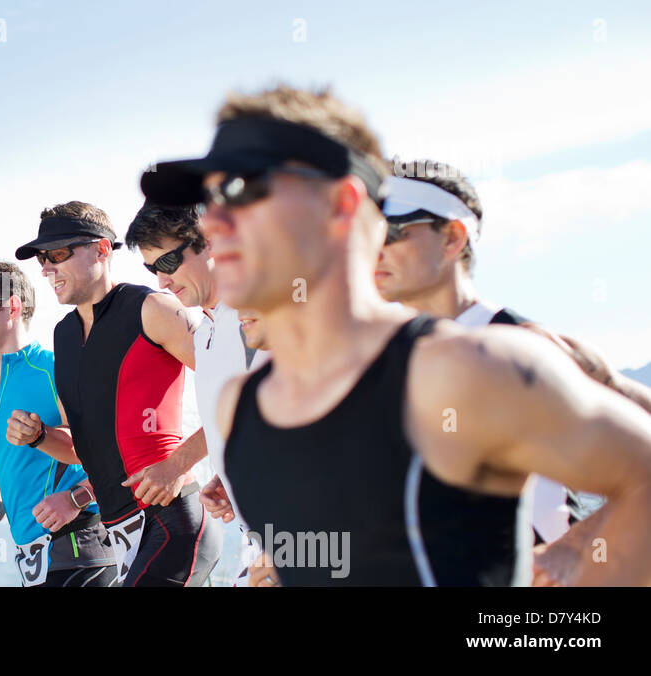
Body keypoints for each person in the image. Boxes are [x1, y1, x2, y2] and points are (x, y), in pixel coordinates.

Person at [141, 84, 651, 586]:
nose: (216, 224)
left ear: (342, 204)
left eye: (244, 192)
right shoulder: (241, 403)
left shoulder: (464, 368)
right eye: (211, 199)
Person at [6, 201, 221, 586]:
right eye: (42, 258)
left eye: (57, 253)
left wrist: (178, 463)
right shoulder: (64, 337)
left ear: (102, 249)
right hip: (121, 533)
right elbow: (80, 447)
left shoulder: (152, 308)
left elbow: (243, 389)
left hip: (174, 516)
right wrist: (38, 437)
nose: (46, 267)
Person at [123, 201, 265, 585]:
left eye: (167, 263)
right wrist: (228, 471)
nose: (161, 281)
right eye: (151, 269)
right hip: (257, 541)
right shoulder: (203, 335)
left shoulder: (265, 314)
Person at [0, 261, 116, 587]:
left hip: (80, 544)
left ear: (13, 307)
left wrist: (75, 499)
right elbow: (12, 470)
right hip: (32, 561)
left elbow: (115, 450)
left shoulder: (55, 368)